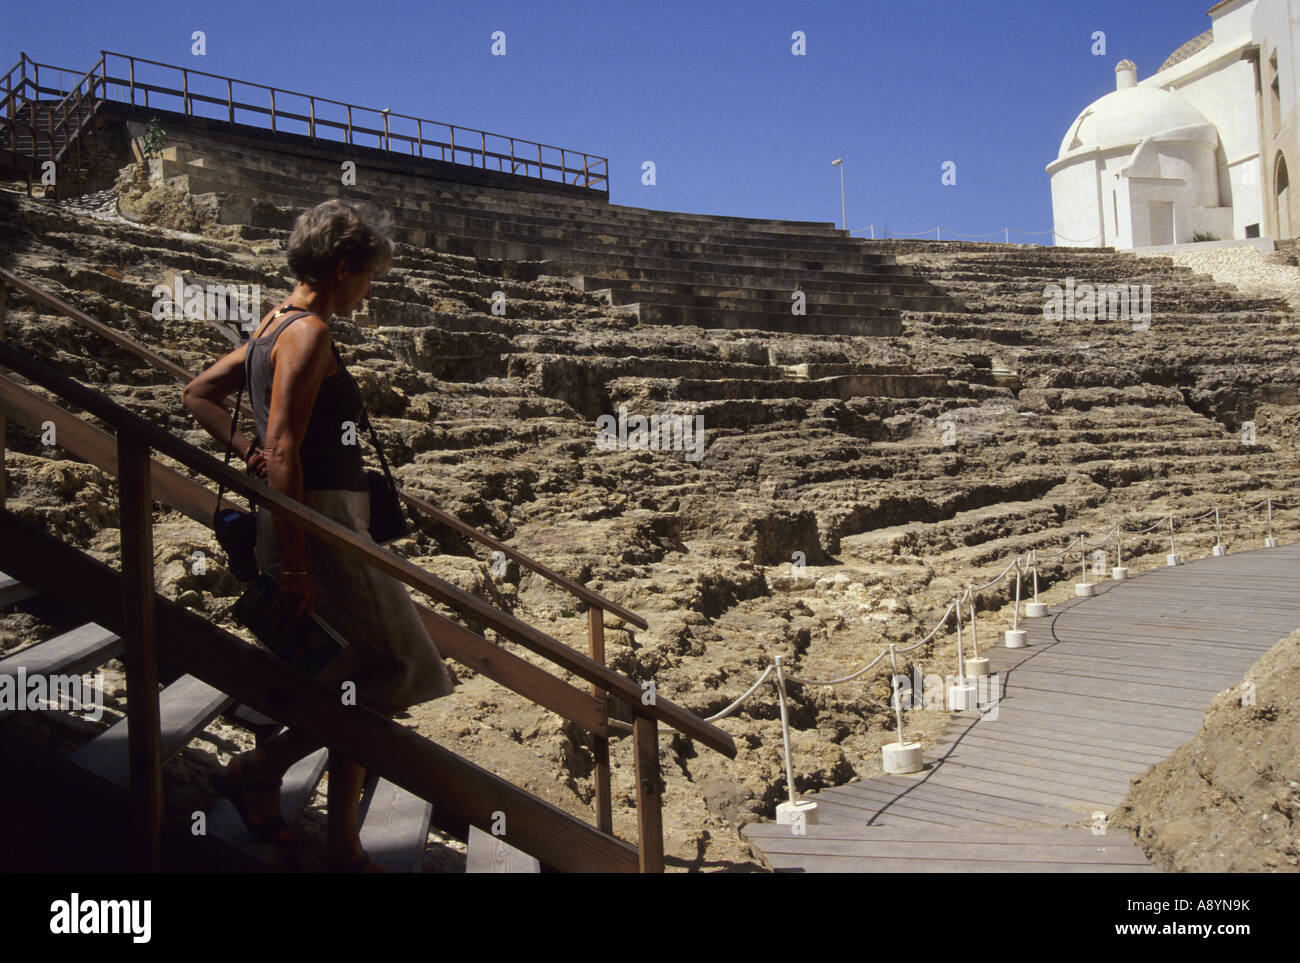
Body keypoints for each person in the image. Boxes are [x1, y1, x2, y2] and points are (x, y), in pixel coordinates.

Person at [183, 199, 454, 872]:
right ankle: (269, 772)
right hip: (322, 525)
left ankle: (329, 832)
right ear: (341, 268)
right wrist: (298, 563)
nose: (369, 292)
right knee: (400, 669)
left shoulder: (273, 323)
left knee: (354, 682)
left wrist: (249, 455)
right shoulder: (307, 334)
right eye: (367, 278)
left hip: (317, 519)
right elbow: (283, 443)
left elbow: (199, 394)